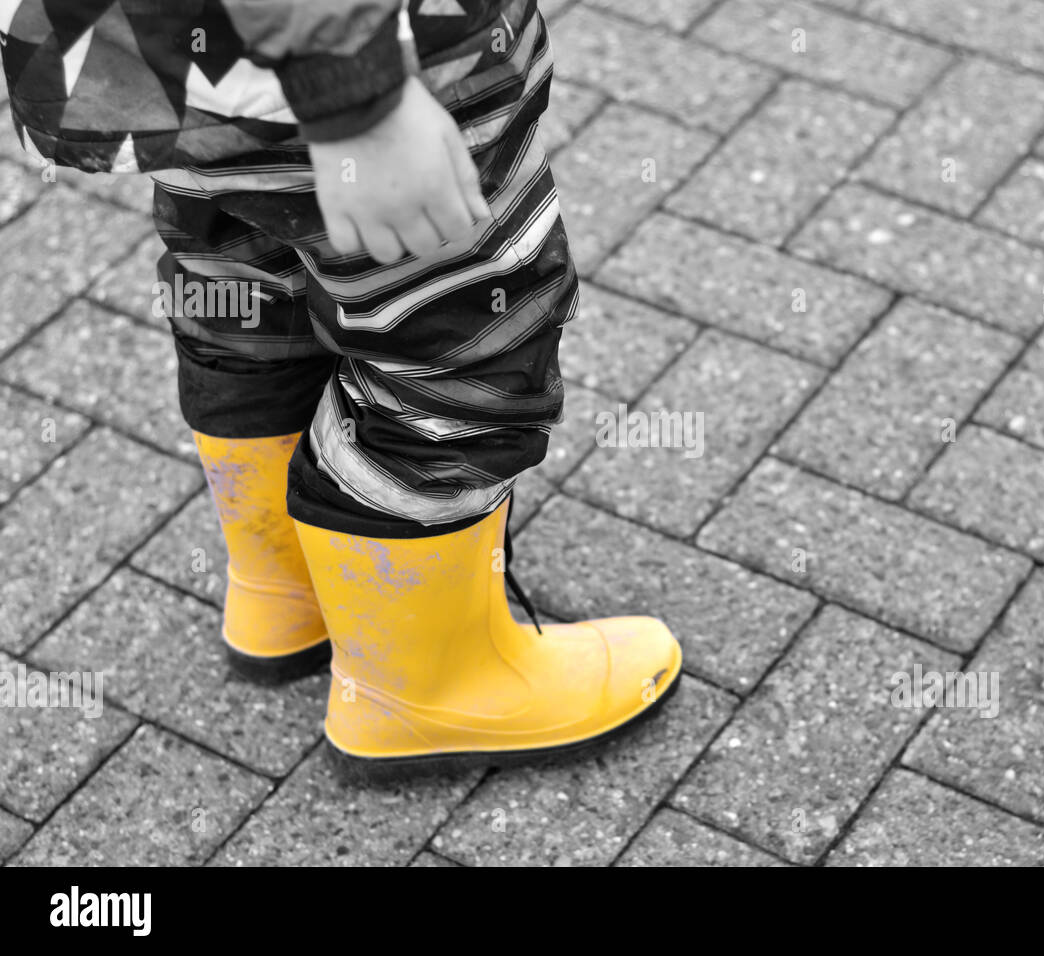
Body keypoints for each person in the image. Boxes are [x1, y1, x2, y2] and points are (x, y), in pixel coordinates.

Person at [0, 0, 681, 779]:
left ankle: (286, 591)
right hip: (341, 65)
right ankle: (425, 688)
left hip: (145, 55)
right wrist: (361, 98)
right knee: (459, 343)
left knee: (252, 281)